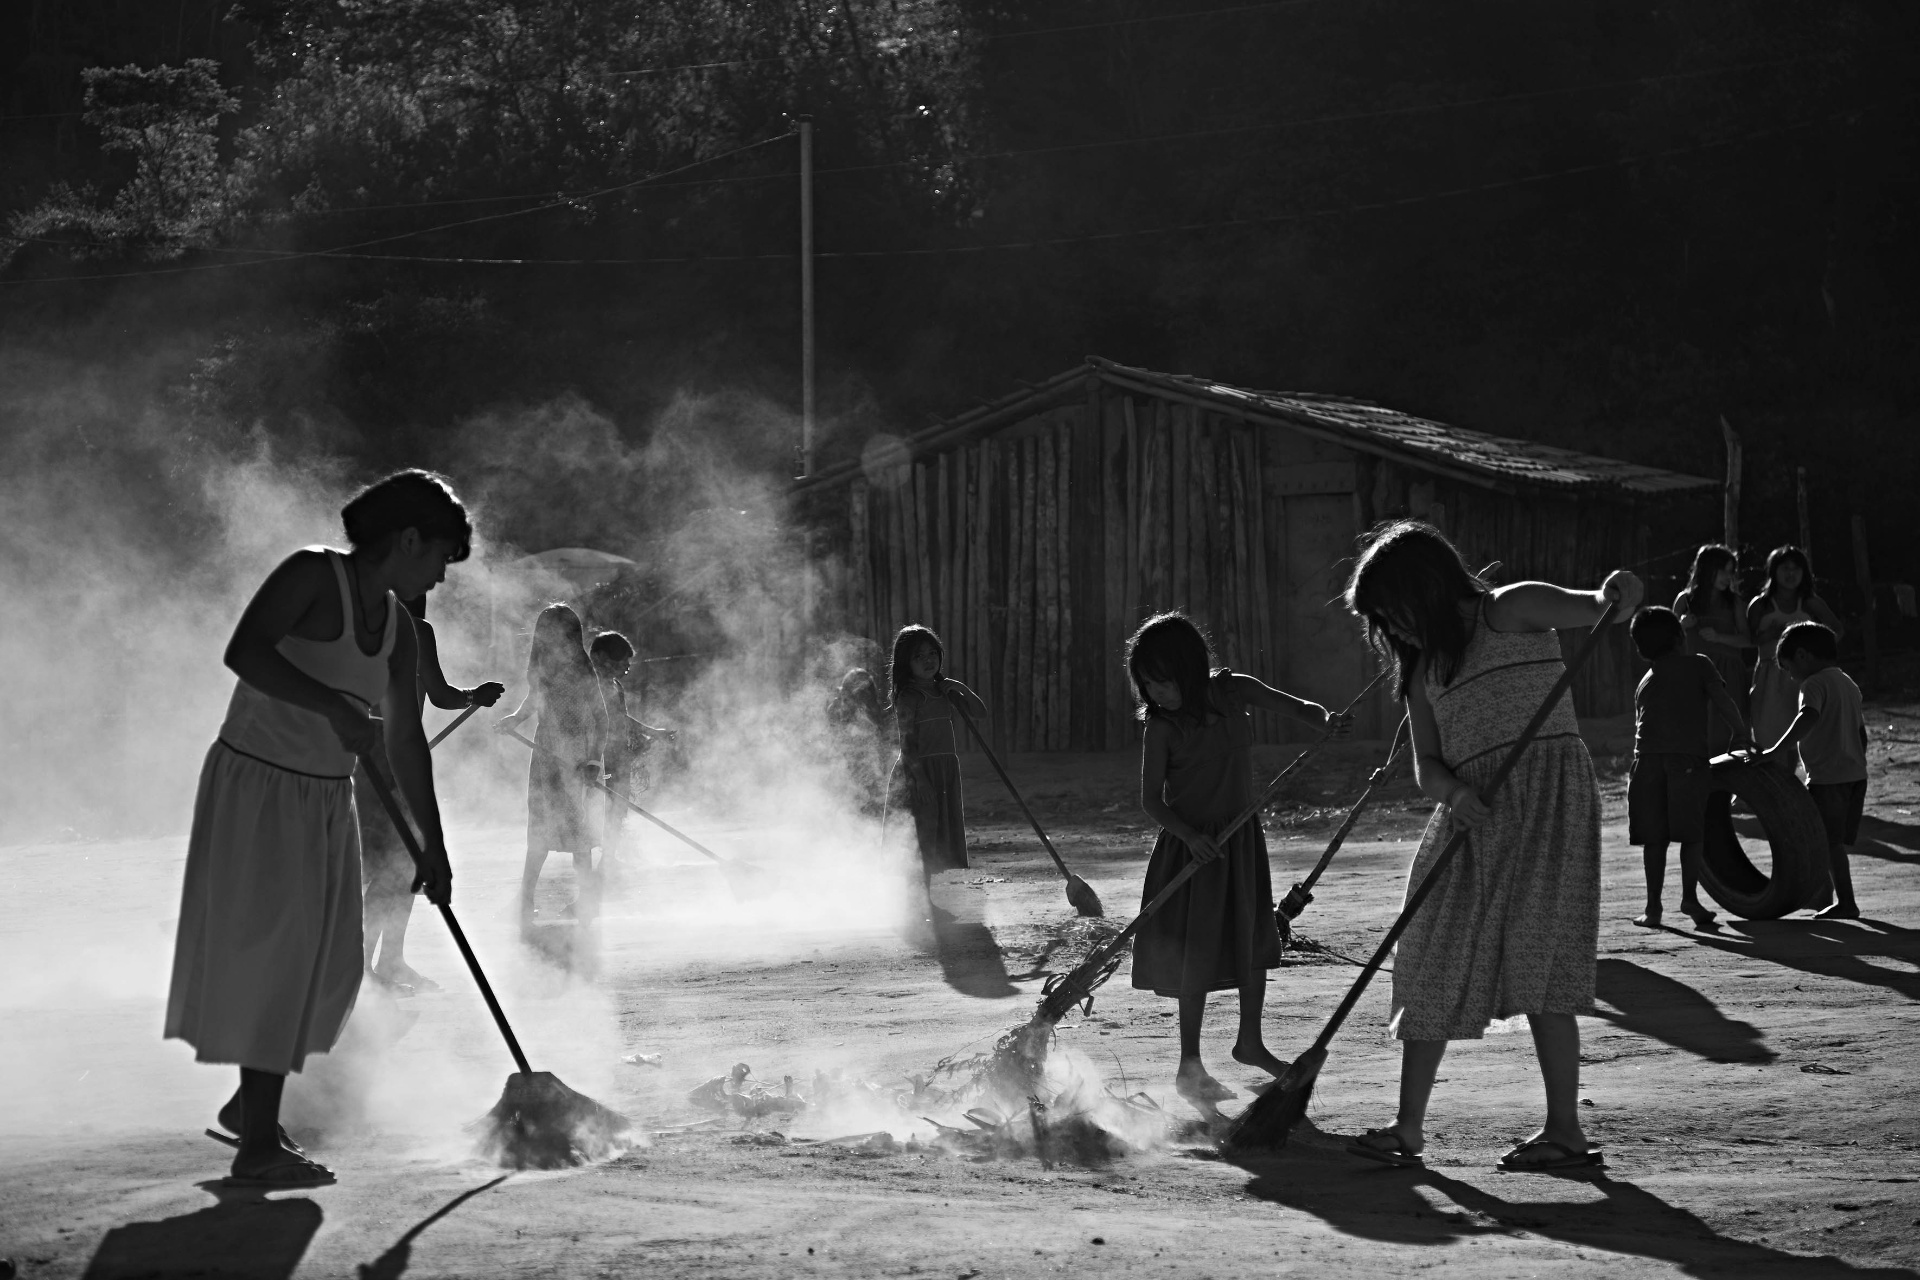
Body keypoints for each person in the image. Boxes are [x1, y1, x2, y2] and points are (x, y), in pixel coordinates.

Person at [165, 469, 470, 1188]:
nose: (441, 578)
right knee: (279, 957)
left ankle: (253, 1107)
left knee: (332, 970)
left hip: (327, 798)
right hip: (258, 785)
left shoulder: (398, 630)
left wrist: (434, 846)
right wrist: (330, 708)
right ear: (407, 539)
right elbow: (245, 650)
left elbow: (404, 745)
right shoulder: (311, 574)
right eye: (439, 559)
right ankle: (260, 1142)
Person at [1341, 518, 1641, 1173]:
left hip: (1547, 802)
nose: (1390, 627)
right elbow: (1427, 763)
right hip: (1473, 814)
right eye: (1381, 620)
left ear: (1421, 586)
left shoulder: (1514, 608)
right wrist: (1455, 794)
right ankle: (1407, 1126)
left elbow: (1599, 610)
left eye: (1392, 609)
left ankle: (1565, 1132)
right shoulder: (1422, 669)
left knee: (1542, 959)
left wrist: (1618, 592)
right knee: (1430, 954)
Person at [1125, 612, 1350, 1107]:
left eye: (1162, 680)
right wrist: (1189, 837)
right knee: (1195, 951)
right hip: (1193, 851)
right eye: (1147, 684)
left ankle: (1250, 1043)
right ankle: (1190, 1065)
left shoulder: (1234, 692)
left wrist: (1327, 721)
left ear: (1189, 668)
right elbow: (1151, 800)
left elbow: (1299, 707)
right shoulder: (1161, 728)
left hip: (1240, 841)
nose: (1155, 692)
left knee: (1252, 936)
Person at [358, 593, 503, 996]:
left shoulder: (355, 624)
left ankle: (387, 960)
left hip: (357, 761)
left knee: (395, 864)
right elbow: (439, 694)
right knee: (394, 865)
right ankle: (364, 967)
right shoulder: (415, 628)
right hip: (388, 763)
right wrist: (474, 695)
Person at [1625, 606, 1752, 930]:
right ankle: (1689, 899)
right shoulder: (1699, 664)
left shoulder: (1645, 680)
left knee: (1655, 838)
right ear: (1680, 637)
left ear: (1641, 649)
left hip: (1646, 763)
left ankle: (1653, 908)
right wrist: (1740, 733)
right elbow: (1722, 699)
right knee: (1691, 834)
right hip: (1687, 762)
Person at [497, 604, 609, 929]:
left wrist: (592, 760)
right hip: (546, 757)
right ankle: (525, 904)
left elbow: (601, 719)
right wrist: (514, 720)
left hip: (577, 759)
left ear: (574, 636)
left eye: (565, 633)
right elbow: (534, 701)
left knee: (579, 834)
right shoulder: (541, 669)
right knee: (540, 832)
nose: (558, 639)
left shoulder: (584, 671)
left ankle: (586, 904)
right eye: (550, 632)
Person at [1764, 622, 1867, 920]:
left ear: (1802, 656)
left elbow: (1808, 717)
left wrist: (1776, 750)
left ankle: (1845, 902)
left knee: (1827, 843)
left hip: (1827, 779)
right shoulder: (1848, 683)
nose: (1790, 676)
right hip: (1854, 775)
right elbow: (1861, 734)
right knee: (1829, 841)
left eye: (1787, 668)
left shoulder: (1813, 684)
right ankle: (1825, 897)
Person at [885, 625, 986, 890]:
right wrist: (921, 781)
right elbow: (906, 743)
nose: (929, 660)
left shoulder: (943, 691)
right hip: (919, 772)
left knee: (939, 832)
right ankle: (919, 899)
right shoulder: (909, 697)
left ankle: (925, 900)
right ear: (907, 662)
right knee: (922, 835)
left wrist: (959, 687)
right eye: (919, 656)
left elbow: (980, 713)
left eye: (932, 653)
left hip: (944, 770)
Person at [1746, 546, 1844, 763]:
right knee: (1768, 737)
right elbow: (1748, 640)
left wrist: (1814, 651)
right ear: (1774, 571)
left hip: (1803, 677)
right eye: (1785, 568)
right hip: (1769, 677)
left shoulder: (1810, 602)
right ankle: (1775, 792)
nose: (1791, 574)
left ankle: (1796, 791)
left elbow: (1836, 630)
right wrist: (1769, 635)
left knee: (1803, 736)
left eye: (1796, 569)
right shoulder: (1760, 604)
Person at [587, 631, 674, 867]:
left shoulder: (614, 685)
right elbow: (608, 720)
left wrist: (650, 733)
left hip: (616, 755)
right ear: (601, 658)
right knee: (602, 807)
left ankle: (609, 858)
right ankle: (596, 860)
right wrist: (650, 732)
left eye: (628, 662)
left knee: (617, 808)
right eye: (622, 661)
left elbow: (621, 718)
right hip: (597, 756)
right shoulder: (590, 685)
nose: (627, 667)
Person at [1673, 545, 1751, 752]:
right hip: (1694, 674)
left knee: (1727, 729)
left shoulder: (1734, 602)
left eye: (1731, 571)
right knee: (1697, 728)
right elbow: (1668, 641)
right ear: (1707, 569)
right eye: (1723, 570)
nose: (1728, 577)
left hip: (1728, 674)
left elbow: (1747, 639)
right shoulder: (1685, 600)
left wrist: (1719, 637)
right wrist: (1682, 625)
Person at [826, 666, 890, 814]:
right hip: (847, 772)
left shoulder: (875, 713)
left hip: (872, 774)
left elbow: (882, 744)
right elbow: (835, 742)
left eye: (865, 692)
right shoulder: (838, 710)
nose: (862, 696)